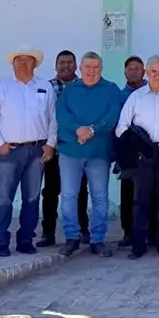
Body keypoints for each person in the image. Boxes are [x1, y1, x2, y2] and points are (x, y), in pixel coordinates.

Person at [0, 45, 57, 257]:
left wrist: (50, 144)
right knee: (4, 198)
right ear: (12, 63)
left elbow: (53, 118)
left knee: (32, 198)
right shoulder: (3, 88)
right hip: (10, 152)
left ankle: (26, 239)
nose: (23, 64)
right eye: (19, 60)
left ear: (35, 64)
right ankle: (0, 240)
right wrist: (0, 144)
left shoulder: (45, 87)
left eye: (28, 60)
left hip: (37, 151)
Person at [55, 51, 120, 257]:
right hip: (70, 151)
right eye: (87, 67)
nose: (91, 71)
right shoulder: (70, 90)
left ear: (101, 69)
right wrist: (78, 129)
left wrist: (92, 130)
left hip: (98, 152)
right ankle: (72, 237)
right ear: (80, 69)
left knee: (100, 197)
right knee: (68, 195)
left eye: (95, 67)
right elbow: (61, 114)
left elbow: (113, 115)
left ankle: (97, 240)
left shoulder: (111, 89)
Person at [115, 55, 159, 259]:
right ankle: (138, 244)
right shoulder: (136, 97)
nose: (157, 75)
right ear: (147, 72)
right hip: (144, 156)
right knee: (140, 200)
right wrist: (136, 147)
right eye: (153, 71)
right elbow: (121, 127)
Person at [39, 50, 79, 248]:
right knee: (51, 191)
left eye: (69, 62)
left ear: (76, 65)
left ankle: (83, 231)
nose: (66, 66)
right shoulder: (46, 87)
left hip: (78, 149)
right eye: (62, 63)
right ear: (56, 66)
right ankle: (48, 233)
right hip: (53, 149)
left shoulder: (83, 86)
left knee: (80, 191)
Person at [116, 55, 146, 247]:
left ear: (144, 71)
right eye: (130, 68)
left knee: (149, 193)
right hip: (127, 151)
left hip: (150, 150)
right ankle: (128, 232)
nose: (134, 71)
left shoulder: (152, 92)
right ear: (125, 72)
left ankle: (150, 231)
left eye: (137, 68)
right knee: (127, 193)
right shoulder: (119, 96)